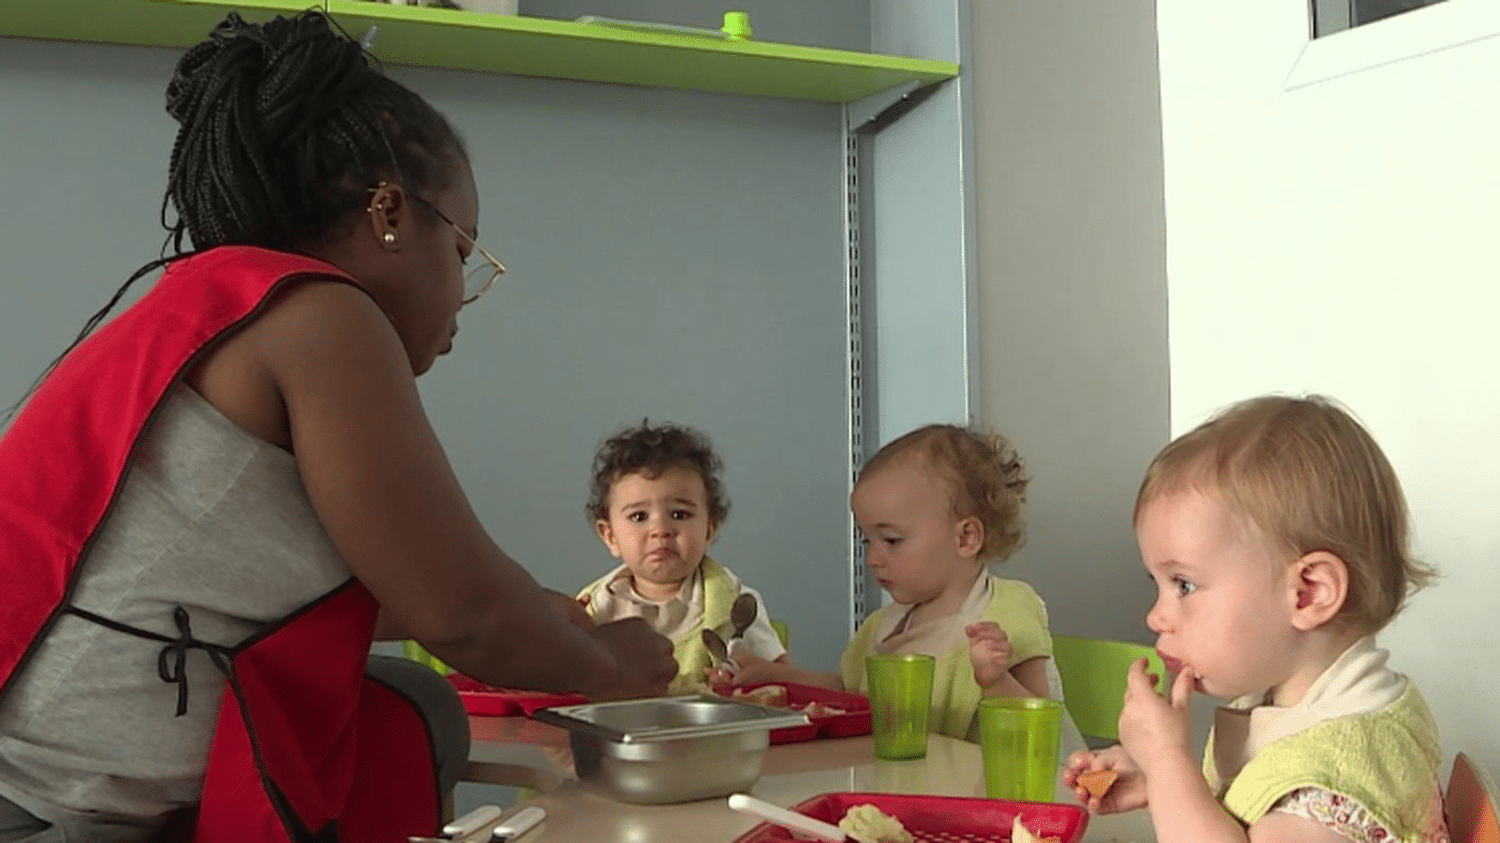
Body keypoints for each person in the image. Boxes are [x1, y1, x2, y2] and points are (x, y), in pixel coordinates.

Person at [0, 11, 676, 843]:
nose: (463, 297)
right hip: (47, 814)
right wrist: (615, 666)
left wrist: (541, 613)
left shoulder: (211, 306)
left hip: (55, 794)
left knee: (413, 703)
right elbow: (461, 610)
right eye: (464, 252)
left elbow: (382, 584)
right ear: (390, 212)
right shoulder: (321, 316)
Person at [1063, 395, 1447, 843]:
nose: (1155, 616)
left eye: (1183, 585)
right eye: (1158, 584)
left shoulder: (1327, 789)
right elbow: (1252, 812)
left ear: (1308, 593)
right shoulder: (1343, 708)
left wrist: (1168, 760)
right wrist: (1164, 783)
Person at [723, 424, 1080, 746]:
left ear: (966, 537)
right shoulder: (884, 626)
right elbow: (854, 695)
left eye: (891, 540)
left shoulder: (1006, 607)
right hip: (924, 790)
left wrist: (993, 680)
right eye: (867, 541)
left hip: (1021, 800)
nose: (873, 558)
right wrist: (780, 676)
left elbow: (1040, 724)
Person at [577, 421, 788, 694]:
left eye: (679, 514)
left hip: (710, 732)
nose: (660, 531)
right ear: (610, 536)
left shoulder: (734, 604)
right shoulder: (593, 609)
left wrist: (745, 680)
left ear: (709, 529)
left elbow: (780, 683)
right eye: (639, 516)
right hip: (620, 732)